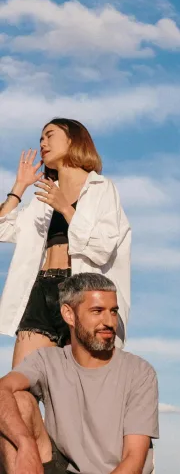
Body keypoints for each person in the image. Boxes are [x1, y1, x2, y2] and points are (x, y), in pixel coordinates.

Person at [0, 272, 162, 474]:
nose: (108, 321)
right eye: (97, 311)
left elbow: (134, 462)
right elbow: (2, 390)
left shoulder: (140, 372)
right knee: (16, 399)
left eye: (113, 311)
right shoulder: (47, 360)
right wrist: (25, 443)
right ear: (69, 314)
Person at [0, 118, 131, 367]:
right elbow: (3, 229)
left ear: (73, 140)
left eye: (49, 135)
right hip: (41, 290)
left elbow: (102, 248)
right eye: (40, 138)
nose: (42, 143)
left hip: (83, 292)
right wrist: (20, 186)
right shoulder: (44, 195)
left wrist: (66, 208)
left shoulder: (101, 188)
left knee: (80, 383)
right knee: (21, 382)